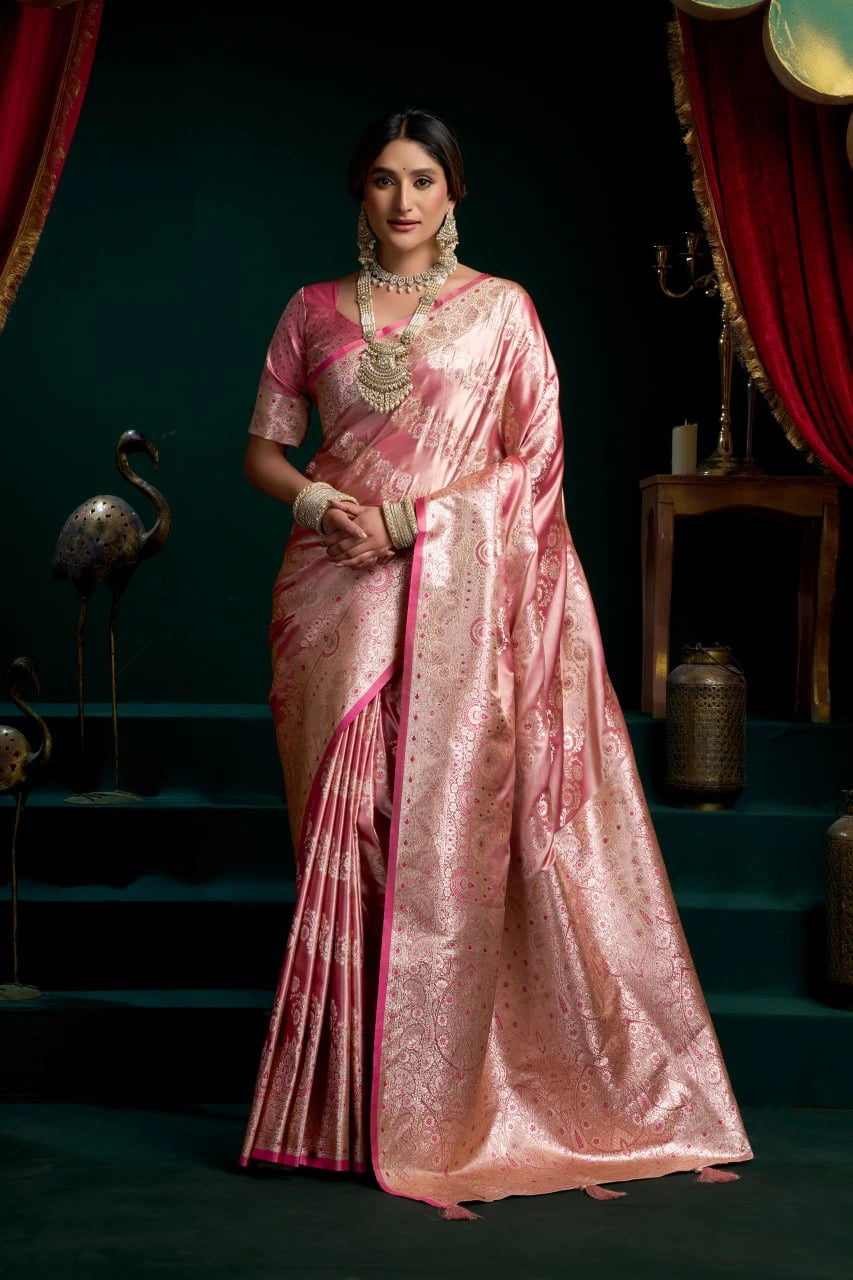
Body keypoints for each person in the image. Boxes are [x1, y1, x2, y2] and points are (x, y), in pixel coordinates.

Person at [238, 107, 752, 1216]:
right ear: (359, 195)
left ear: (454, 193)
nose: (404, 200)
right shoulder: (311, 312)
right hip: (327, 595)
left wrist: (417, 522)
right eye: (382, 180)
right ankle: (335, 1105)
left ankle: (426, 1100)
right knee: (345, 825)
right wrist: (329, 501)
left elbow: (535, 467)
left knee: (416, 826)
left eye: (423, 178)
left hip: (448, 603)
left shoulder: (502, 315)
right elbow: (264, 451)